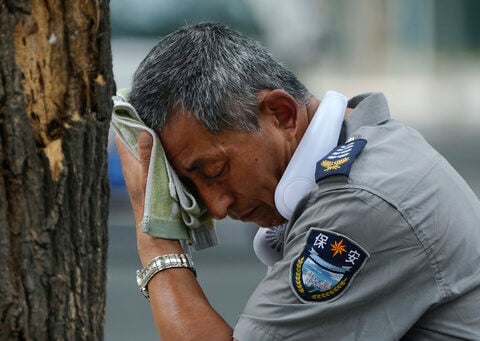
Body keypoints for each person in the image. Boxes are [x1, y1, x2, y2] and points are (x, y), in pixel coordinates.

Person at [115, 22, 480, 340]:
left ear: (281, 113)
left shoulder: (356, 205)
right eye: (191, 187)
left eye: (214, 171)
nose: (216, 206)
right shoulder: (366, 138)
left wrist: (157, 241)